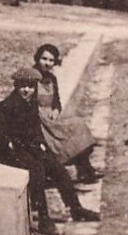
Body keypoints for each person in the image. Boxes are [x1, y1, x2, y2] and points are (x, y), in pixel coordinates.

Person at [0, 66, 99, 235]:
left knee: (58, 169)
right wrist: (6, 145)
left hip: (32, 148)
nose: (26, 90)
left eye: (30, 86)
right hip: (12, 152)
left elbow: (35, 129)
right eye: (22, 86)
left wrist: (41, 144)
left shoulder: (31, 103)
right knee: (37, 171)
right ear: (15, 86)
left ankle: (76, 208)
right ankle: (43, 218)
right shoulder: (7, 106)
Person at [33, 43, 102, 184]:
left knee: (78, 125)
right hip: (36, 121)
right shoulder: (29, 78)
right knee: (60, 139)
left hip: (52, 119)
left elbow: (57, 102)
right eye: (44, 59)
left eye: (51, 60)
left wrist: (55, 110)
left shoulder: (52, 79)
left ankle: (84, 168)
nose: (47, 63)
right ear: (37, 59)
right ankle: (84, 171)